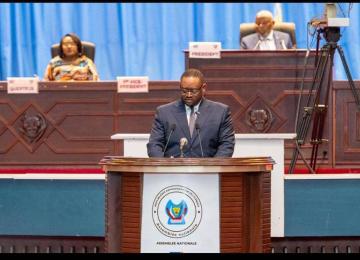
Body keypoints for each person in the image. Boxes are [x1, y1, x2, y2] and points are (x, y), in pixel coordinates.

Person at [147, 68, 235, 158]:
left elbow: (226, 145)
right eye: (184, 91)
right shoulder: (164, 112)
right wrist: (163, 167)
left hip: (208, 170)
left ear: (203, 88)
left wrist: (213, 168)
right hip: (173, 170)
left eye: (193, 91)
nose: (188, 95)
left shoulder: (220, 112)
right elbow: (154, 145)